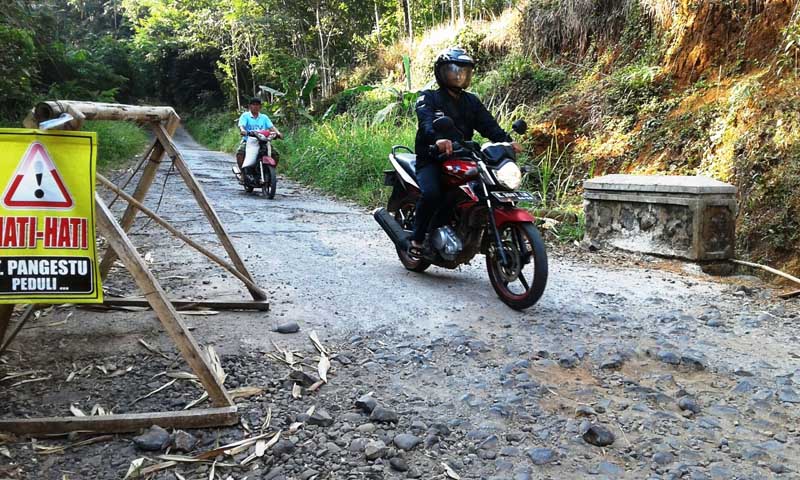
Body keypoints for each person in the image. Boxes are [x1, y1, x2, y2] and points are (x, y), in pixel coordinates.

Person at [409, 47, 522, 257]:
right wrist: (437, 139)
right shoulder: (429, 97)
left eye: (465, 71)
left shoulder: (471, 101)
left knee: (483, 189)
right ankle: (417, 238)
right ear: (441, 72)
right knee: (433, 194)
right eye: (454, 70)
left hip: (463, 155)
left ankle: (467, 229)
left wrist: (507, 141)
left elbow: (489, 125)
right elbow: (426, 122)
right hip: (432, 158)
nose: (460, 75)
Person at [237, 98, 282, 180]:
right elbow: (241, 125)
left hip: (263, 141)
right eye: (253, 104)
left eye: (257, 105)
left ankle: (270, 173)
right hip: (249, 141)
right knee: (240, 152)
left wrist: (278, 133)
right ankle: (243, 173)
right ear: (250, 106)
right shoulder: (245, 116)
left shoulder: (264, 117)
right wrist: (243, 131)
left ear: (260, 107)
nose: (255, 106)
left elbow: (271, 127)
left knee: (275, 154)